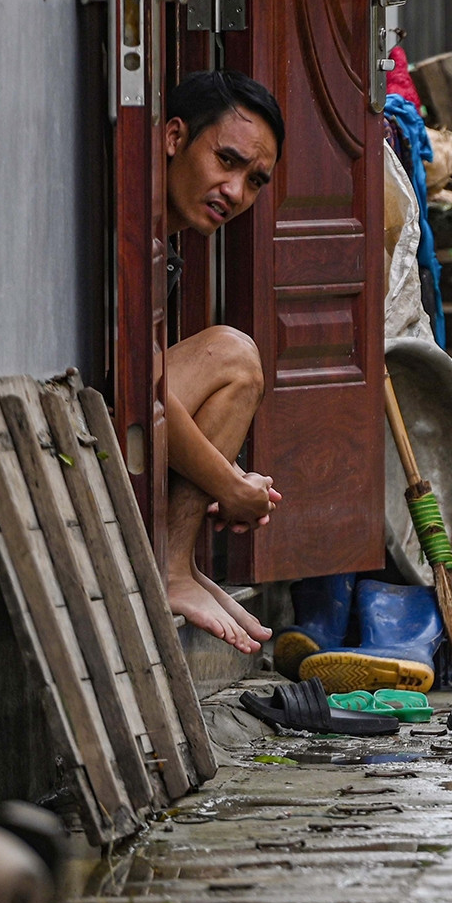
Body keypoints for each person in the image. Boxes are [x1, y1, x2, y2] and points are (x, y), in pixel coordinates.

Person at [159, 71, 286, 654]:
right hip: (77, 424)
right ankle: (171, 568)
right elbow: (141, 395)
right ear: (173, 137)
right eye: (226, 161)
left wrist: (230, 482)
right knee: (234, 356)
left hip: (115, 415)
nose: (235, 191)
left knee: (234, 358)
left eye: (254, 179)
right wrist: (230, 485)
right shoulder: (127, 227)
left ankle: (176, 563)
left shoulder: (164, 236)